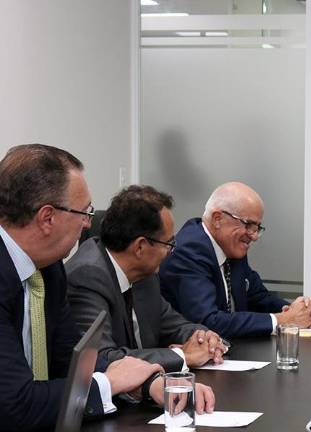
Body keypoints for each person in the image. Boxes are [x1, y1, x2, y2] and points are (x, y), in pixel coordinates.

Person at [0, 144, 212, 431]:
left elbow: (72, 363)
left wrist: (148, 382)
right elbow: (14, 405)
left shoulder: (49, 269)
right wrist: (109, 383)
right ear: (47, 218)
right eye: (84, 212)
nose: (88, 224)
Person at [67, 185, 226, 372]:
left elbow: (175, 325)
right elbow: (100, 358)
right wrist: (183, 356)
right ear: (140, 247)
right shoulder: (87, 277)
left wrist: (205, 338)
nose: (170, 252)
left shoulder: (144, 274)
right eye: (169, 244)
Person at [160, 182, 311, 338]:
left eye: (257, 227)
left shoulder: (231, 246)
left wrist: (296, 310)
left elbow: (258, 297)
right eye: (248, 225)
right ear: (217, 219)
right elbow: (208, 322)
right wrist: (282, 320)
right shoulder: (189, 252)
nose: (254, 236)